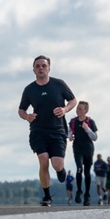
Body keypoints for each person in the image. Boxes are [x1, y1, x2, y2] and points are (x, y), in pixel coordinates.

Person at [18, 55, 76, 207]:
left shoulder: (59, 84)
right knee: (43, 161)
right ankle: (47, 196)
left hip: (57, 131)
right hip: (38, 131)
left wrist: (65, 109)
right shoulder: (29, 89)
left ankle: (61, 169)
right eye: (38, 66)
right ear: (33, 70)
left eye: (44, 65)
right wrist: (27, 117)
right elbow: (21, 110)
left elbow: (73, 101)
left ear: (49, 68)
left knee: (56, 165)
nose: (41, 68)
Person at [68, 102, 99, 206]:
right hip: (77, 148)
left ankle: (87, 195)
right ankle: (79, 191)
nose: (78, 111)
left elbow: (95, 137)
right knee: (79, 168)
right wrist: (70, 136)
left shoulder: (90, 122)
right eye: (77, 109)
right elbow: (69, 132)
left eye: (80, 109)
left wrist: (87, 129)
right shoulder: (73, 121)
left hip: (88, 149)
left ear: (86, 111)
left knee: (87, 172)